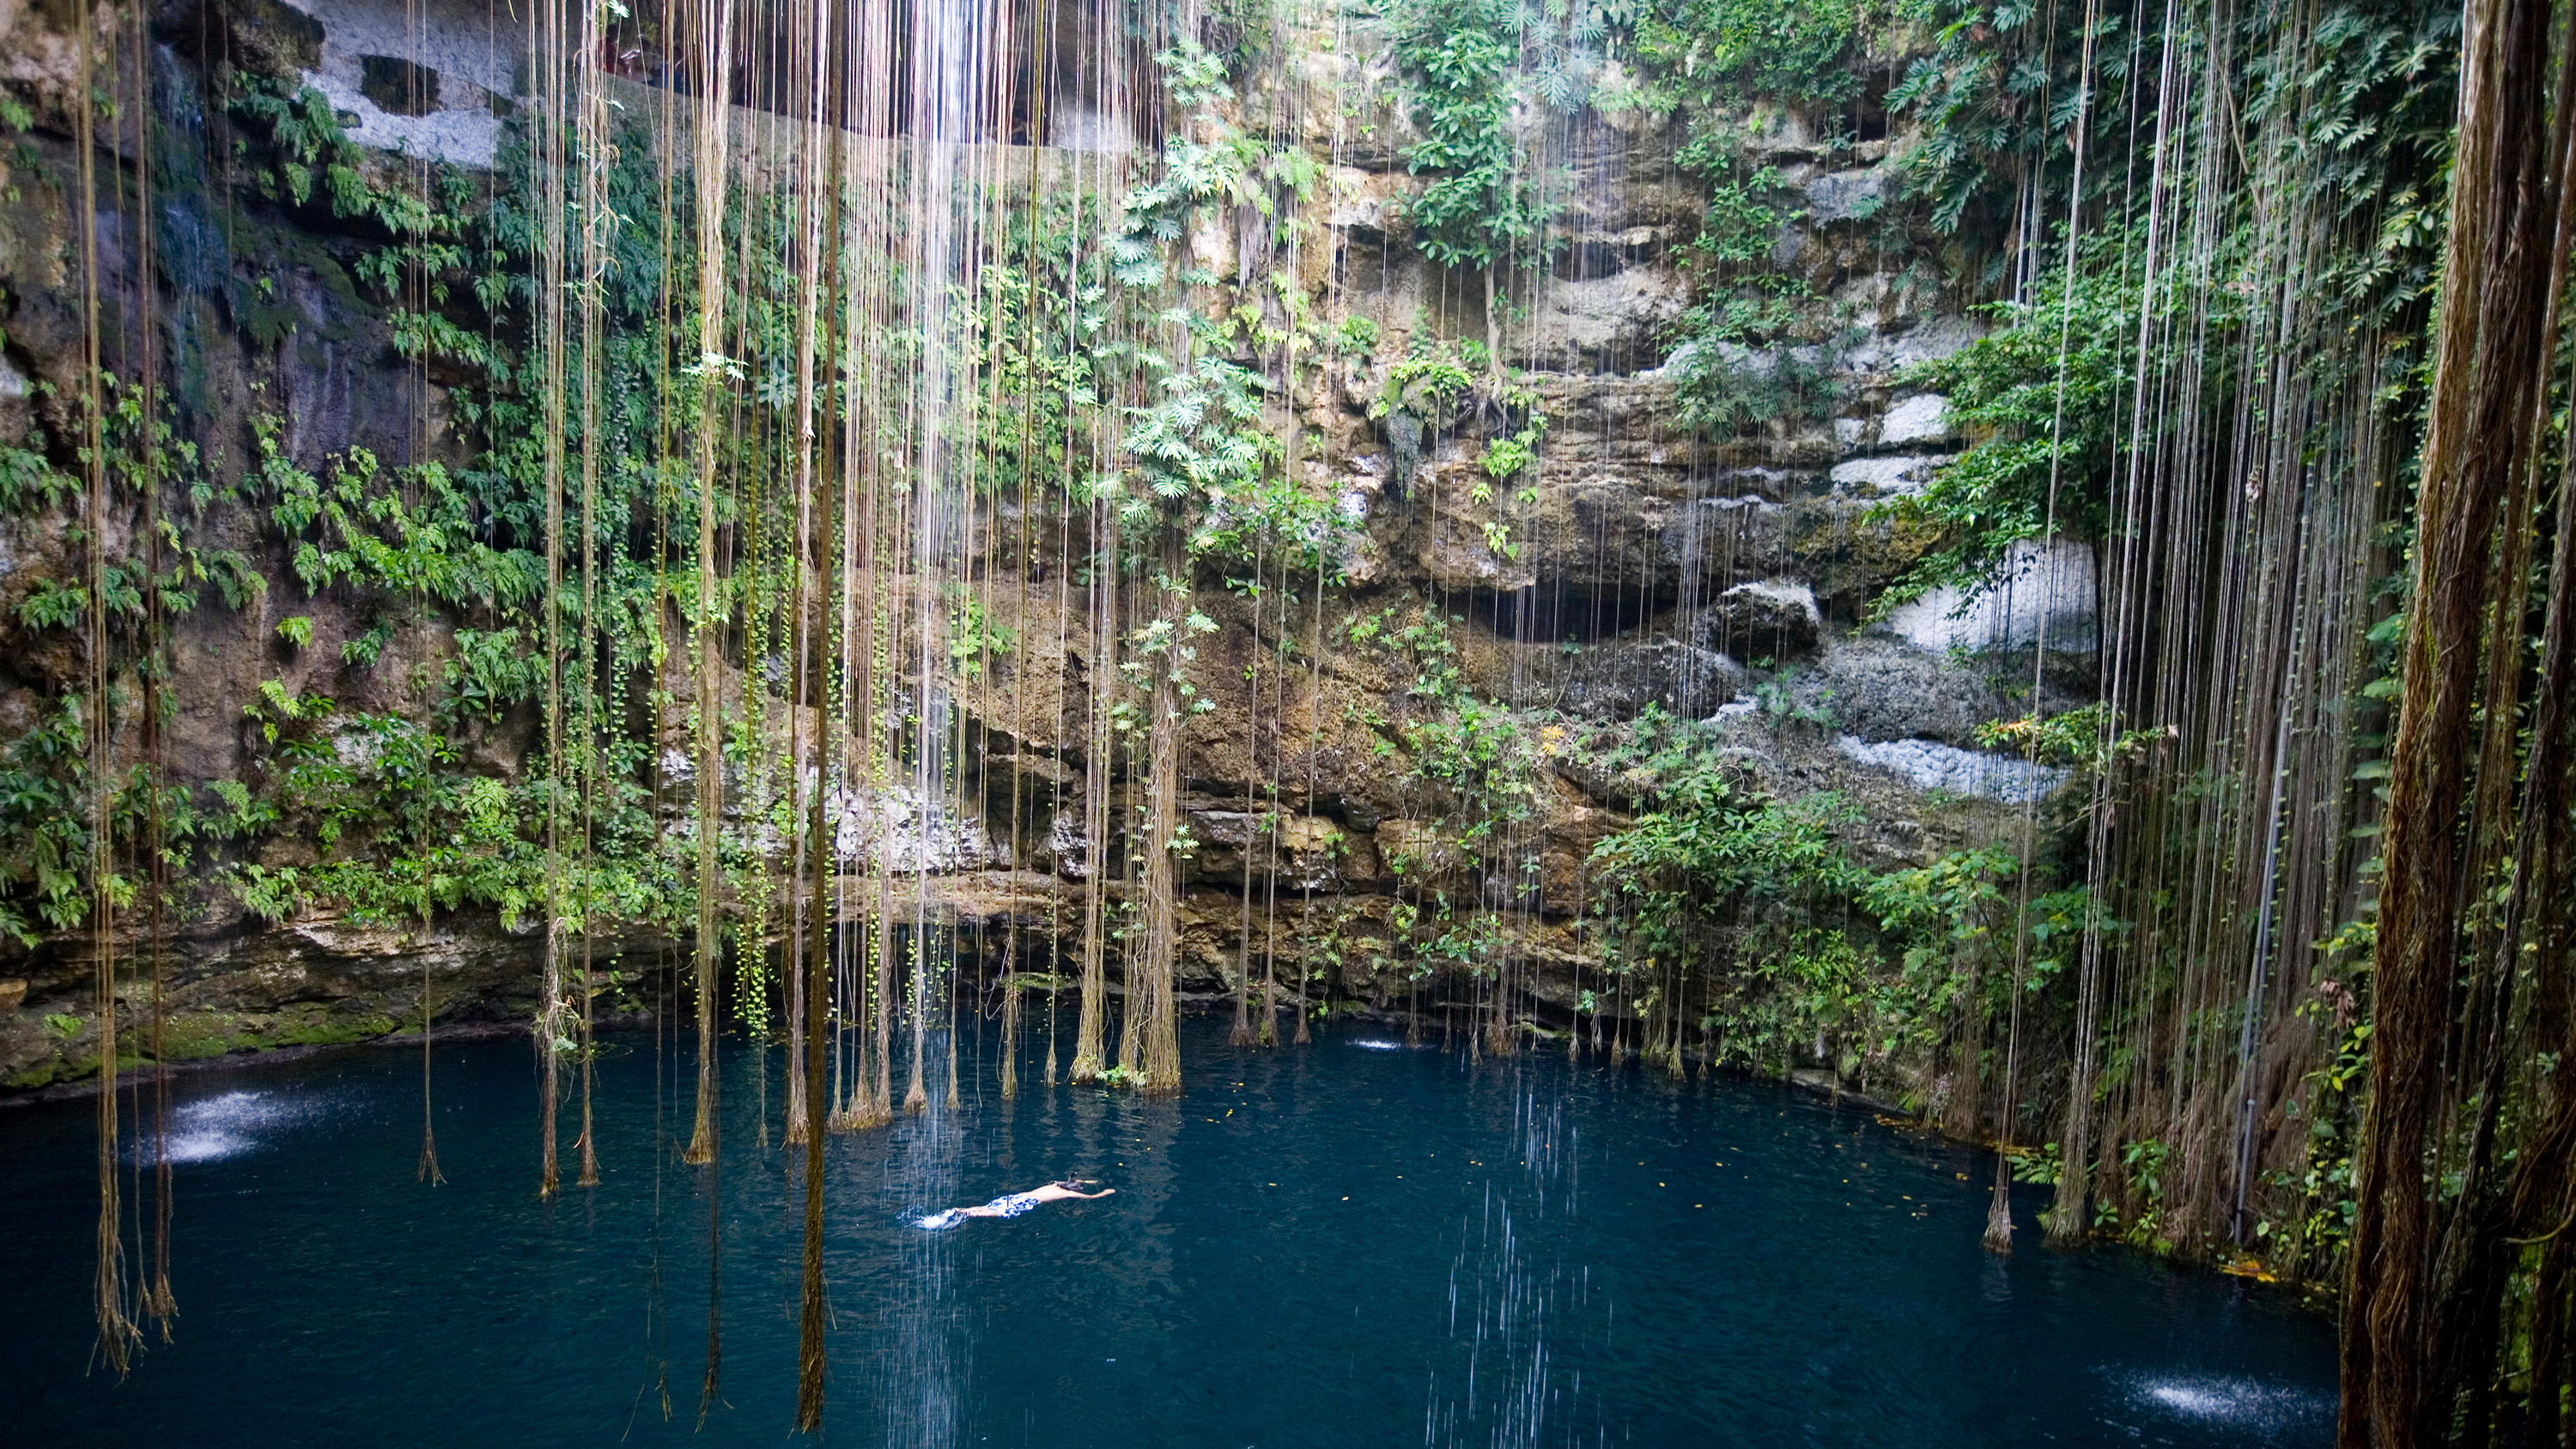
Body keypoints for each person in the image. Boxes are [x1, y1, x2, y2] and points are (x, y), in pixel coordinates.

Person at [916, 1179, 1114, 1230]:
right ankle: (969, 1214)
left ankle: (964, 1210)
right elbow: (1090, 1198)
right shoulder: (1067, 1194)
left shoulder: (1053, 1185)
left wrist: (1089, 1182)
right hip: (1026, 1203)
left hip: (1016, 1196)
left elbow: (1070, 1181)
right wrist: (1104, 1192)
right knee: (997, 1213)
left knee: (991, 1206)